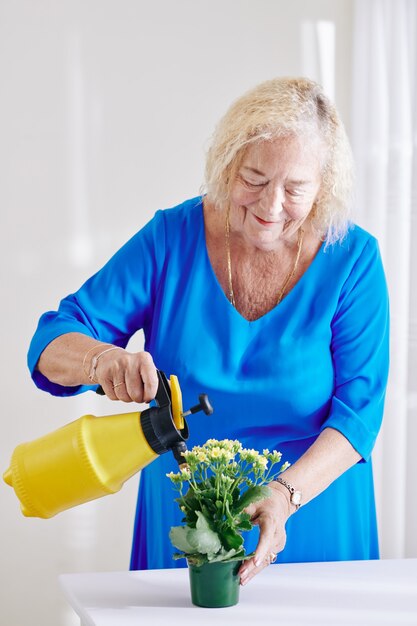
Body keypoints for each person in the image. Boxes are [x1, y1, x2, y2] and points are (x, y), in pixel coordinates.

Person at [28, 77, 389, 585]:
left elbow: (361, 415)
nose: (270, 206)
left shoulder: (353, 260)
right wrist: (101, 360)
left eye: (295, 189)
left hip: (312, 515)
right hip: (186, 528)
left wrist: (284, 496)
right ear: (227, 164)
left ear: (324, 187)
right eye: (255, 179)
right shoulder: (170, 239)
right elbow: (50, 342)